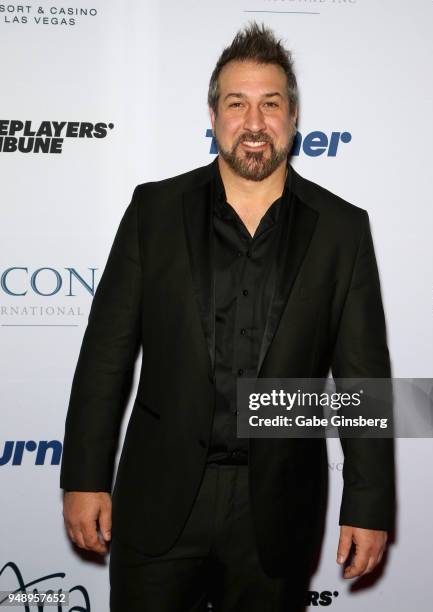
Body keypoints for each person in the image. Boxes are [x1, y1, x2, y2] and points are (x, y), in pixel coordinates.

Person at [60, 22, 395, 612]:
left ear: (293, 117)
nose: (254, 122)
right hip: (160, 497)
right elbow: (105, 355)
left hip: (276, 507)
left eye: (271, 105)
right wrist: (84, 476)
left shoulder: (342, 229)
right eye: (237, 104)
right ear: (213, 116)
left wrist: (368, 504)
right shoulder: (154, 211)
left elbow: (362, 379)